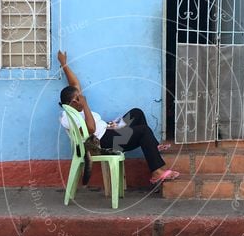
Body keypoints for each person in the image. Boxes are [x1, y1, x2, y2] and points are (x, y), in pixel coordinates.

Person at [57, 50, 179, 185]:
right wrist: (85, 105)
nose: (82, 97)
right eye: (79, 97)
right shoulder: (68, 118)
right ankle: (156, 172)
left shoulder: (73, 107)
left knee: (136, 113)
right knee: (143, 131)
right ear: (73, 102)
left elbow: (74, 85)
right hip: (106, 143)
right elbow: (90, 130)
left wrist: (63, 63)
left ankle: (153, 147)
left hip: (109, 131)